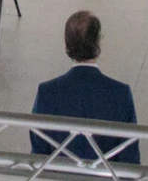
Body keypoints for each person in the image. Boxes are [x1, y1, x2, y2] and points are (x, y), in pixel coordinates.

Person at [29, 11, 139, 164]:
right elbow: (130, 161)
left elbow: (38, 155)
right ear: (98, 43)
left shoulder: (46, 92)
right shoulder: (121, 94)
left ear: (67, 46)